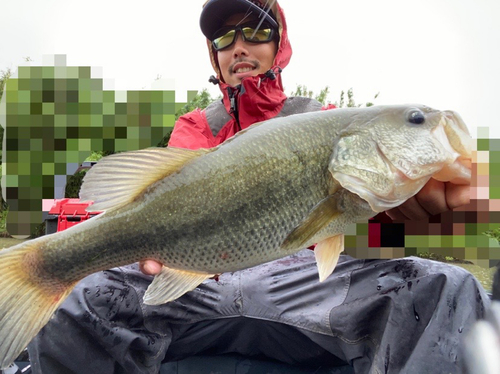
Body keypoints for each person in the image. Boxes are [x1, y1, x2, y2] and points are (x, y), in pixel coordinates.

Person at [27, 1, 489, 373]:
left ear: (280, 46)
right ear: (215, 55)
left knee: (447, 287)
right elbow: (157, 213)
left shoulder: (320, 118)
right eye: (225, 39)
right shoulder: (195, 126)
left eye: (257, 32)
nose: (240, 47)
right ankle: (34, 275)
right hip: (200, 284)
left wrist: (412, 221)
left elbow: (360, 232)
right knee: (76, 301)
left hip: (301, 283)